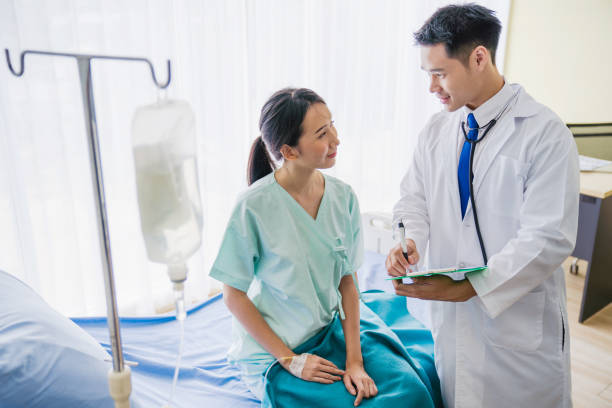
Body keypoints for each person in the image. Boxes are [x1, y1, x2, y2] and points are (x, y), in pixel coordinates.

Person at [385, 4, 579, 408]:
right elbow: (413, 198)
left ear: (479, 57)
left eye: (440, 73)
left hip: (518, 326)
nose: (432, 87)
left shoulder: (544, 133)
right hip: (454, 326)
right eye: (428, 74)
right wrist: (410, 241)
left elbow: (548, 238)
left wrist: (471, 286)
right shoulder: (437, 129)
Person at [210, 88, 440, 407]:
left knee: (411, 392)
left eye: (332, 124)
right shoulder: (254, 207)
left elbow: (347, 280)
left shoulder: (342, 197)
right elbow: (232, 293)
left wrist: (354, 362)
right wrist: (290, 359)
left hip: (334, 330)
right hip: (278, 350)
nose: (336, 138)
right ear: (289, 151)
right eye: (322, 132)